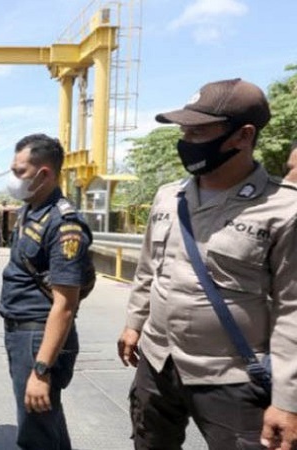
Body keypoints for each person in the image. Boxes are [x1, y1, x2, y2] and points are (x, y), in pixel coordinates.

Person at [116, 78, 297, 450]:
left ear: (243, 136)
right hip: (157, 361)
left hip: (231, 376)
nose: (186, 140)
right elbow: (149, 269)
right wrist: (134, 323)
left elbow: (292, 311)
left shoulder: (284, 209)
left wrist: (287, 400)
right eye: (184, 131)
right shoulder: (169, 197)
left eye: (198, 131)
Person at [0, 134, 95, 449]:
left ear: (44, 174)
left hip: (38, 336)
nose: (14, 179)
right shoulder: (31, 209)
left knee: (35, 434)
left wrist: (41, 370)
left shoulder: (63, 224)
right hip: (23, 334)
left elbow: (65, 305)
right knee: (47, 425)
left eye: (20, 172)